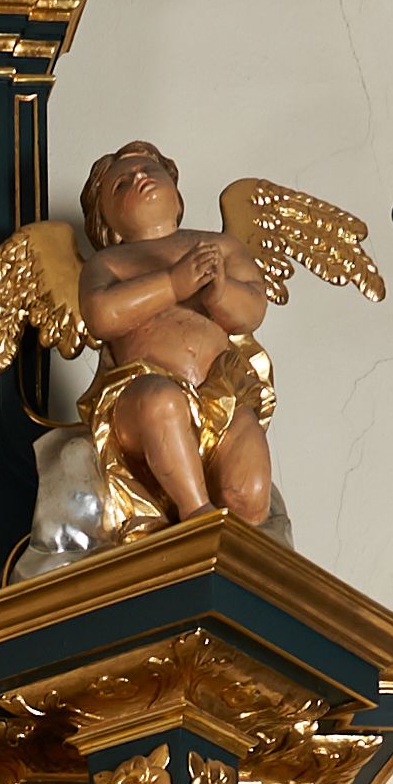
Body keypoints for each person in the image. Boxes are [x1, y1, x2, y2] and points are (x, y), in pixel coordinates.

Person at [75, 139, 272, 529]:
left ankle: (245, 544)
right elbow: (102, 315)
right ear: (106, 222)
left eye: (149, 170)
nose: (139, 178)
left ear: (176, 191)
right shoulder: (108, 262)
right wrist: (173, 283)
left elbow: (253, 309)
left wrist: (219, 292)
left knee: (247, 490)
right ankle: (197, 515)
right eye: (121, 184)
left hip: (222, 392)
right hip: (142, 397)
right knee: (161, 402)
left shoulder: (218, 246)